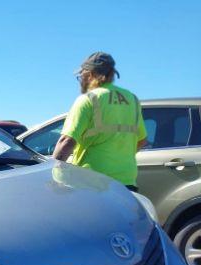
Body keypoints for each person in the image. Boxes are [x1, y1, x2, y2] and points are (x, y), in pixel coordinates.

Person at [52, 52, 148, 191]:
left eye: (81, 76)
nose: (81, 81)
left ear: (90, 75)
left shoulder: (88, 99)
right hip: (126, 183)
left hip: (91, 183)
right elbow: (141, 140)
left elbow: (67, 141)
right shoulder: (132, 99)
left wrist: (54, 176)